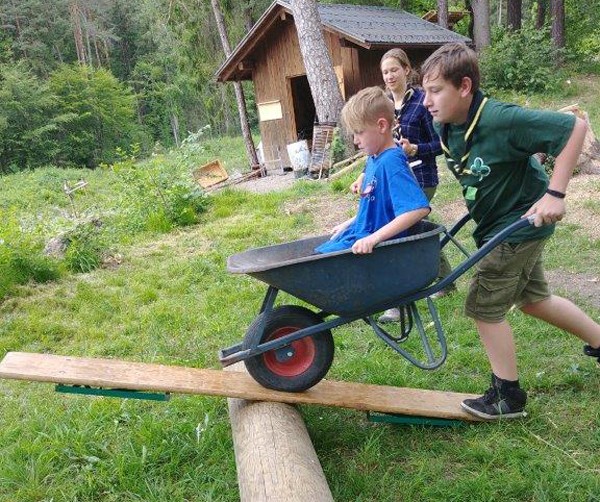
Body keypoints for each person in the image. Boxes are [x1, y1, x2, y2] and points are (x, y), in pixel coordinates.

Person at [420, 42, 600, 420]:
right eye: (425, 91)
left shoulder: (501, 119)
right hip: (497, 225)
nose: (427, 101)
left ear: (464, 87)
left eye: (435, 91)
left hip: (520, 224)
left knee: (483, 306)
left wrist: (555, 194)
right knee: (534, 300)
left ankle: (508, 397)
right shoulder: (447, 125)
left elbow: (575, 128)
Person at [350, 48, 455, 323]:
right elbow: (378, 151)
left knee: (407, 227)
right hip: (390, 176)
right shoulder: (383, 104)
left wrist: (415, 148)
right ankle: (436, 280)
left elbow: (441, 144)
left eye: (394, 70)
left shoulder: (422, 102)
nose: (389, 76)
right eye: (385, 72)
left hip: (420, 175)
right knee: (412, 229)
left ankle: (413, 288)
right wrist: (364, 175)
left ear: (407, 70)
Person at [315, 86, 430, 255]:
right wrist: (349, 223)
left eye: (359, 133)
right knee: (317, 254)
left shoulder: (391, 162)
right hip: (359, 232)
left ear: (381, 126)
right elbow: (377, 209)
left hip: (376, 247)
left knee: (318, 259)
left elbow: (417, 209)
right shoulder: (374, 158)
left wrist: (374, 239)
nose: (355, 141)